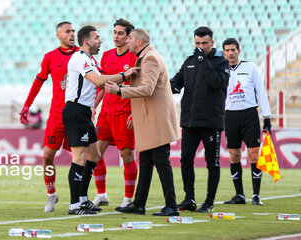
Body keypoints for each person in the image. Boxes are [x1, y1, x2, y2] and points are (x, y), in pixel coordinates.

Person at [62, 25, 139, 215]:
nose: (101, 41)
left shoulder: (90, 59)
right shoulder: (80, 58)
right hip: (75, 111)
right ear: (87, 41)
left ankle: (82, 199)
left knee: (94, 156)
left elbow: (101, 79)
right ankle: (74, 205)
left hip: (84, 112)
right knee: (79, 158)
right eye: (97, 38)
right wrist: (124, 75)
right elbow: (98, 81)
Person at [105, 28, 180, 216]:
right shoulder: (145, 56)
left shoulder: (150, 58)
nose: (126, 41)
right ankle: (139, 204)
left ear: (139, 42)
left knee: (161, 161)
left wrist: (119, 90)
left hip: (156, 118)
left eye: (129, 38)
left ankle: (171, 205)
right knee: (146, 162)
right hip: (149, 117)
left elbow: (147, 89)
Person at [19, 21, 78, 212]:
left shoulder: (82, 55)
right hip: (57, 115)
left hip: (77, 114)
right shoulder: (50, 58)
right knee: (47, 155)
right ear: (58, 35)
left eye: (73, 31)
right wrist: (27, 105)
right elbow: (38, 82)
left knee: (84, 157)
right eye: (68, 31)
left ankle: (84, 197)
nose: (72, 34)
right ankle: (51, 194)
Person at [170, 26, 229, 213]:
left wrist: (203, 60)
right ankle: (189, 199)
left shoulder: (221, 62)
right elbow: (176, 81)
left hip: (211, 121)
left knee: (213, 162)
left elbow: (217, 83)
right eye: (197, 43)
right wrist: (165, 84)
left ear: (212, 42)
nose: (200, 47)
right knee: (186, 159)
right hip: (189, 120)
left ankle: (209, 201)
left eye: (204, 43)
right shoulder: (189, 61)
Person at [92, 18, 138, 210]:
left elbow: (141, 88)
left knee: (126, 155)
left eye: (121, 33)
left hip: (125, 113)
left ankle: (128, 199)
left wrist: (135, 113)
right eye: (114, 32)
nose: (116, 36)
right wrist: (94, 106)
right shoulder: (107, 55)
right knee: (94, 154)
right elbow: (103, 85)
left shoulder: (135, 58)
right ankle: (101, 194)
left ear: (129, 37)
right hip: (106, 113)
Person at [222, 38, 271, 206]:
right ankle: (239, 195)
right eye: (227, 50)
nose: (230, 53)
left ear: (239, 51)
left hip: (249, 115)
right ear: (223, 52)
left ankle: (256, 194)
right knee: (234, 155)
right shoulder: (220, 70)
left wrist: (267, 116)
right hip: (230, 116)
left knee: (253, 154)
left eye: (233, 50)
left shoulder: (250, 68)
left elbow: (261, 91)